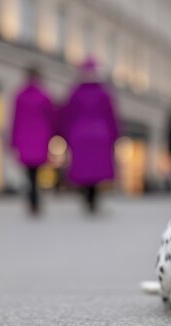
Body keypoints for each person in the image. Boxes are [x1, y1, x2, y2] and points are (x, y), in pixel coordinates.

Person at [58, 58, 120, 213]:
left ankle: (87, 197)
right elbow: (111, 117)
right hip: (100, 135)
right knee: (97, 169)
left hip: (79, 135)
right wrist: (115, 136)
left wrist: (65, 135)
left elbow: (67, 115)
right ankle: (94, 198)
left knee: (85, 169)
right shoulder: (104, 94)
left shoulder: (75, 93)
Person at [10, 67, 55, 215]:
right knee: (35, 173)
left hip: (25, 138)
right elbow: (51, 119)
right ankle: (35, 199)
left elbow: (15, 120)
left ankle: (32, 199)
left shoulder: (20, 95)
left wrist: (13, 141)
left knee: (29, 173)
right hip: (40, 138)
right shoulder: (44, 96)